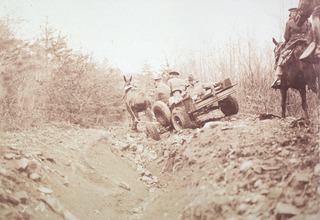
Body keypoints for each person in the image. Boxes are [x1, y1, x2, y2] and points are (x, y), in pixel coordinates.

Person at [271, 8, 313, 89]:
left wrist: (288, 40)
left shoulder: (289, 22)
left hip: (293, 43)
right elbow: (311, 33)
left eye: (291, 13)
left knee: (282, 55)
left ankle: (278, 79)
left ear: (294, 13)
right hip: (306, 43)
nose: (290, 15)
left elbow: (286, 36)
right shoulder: (308, 22)